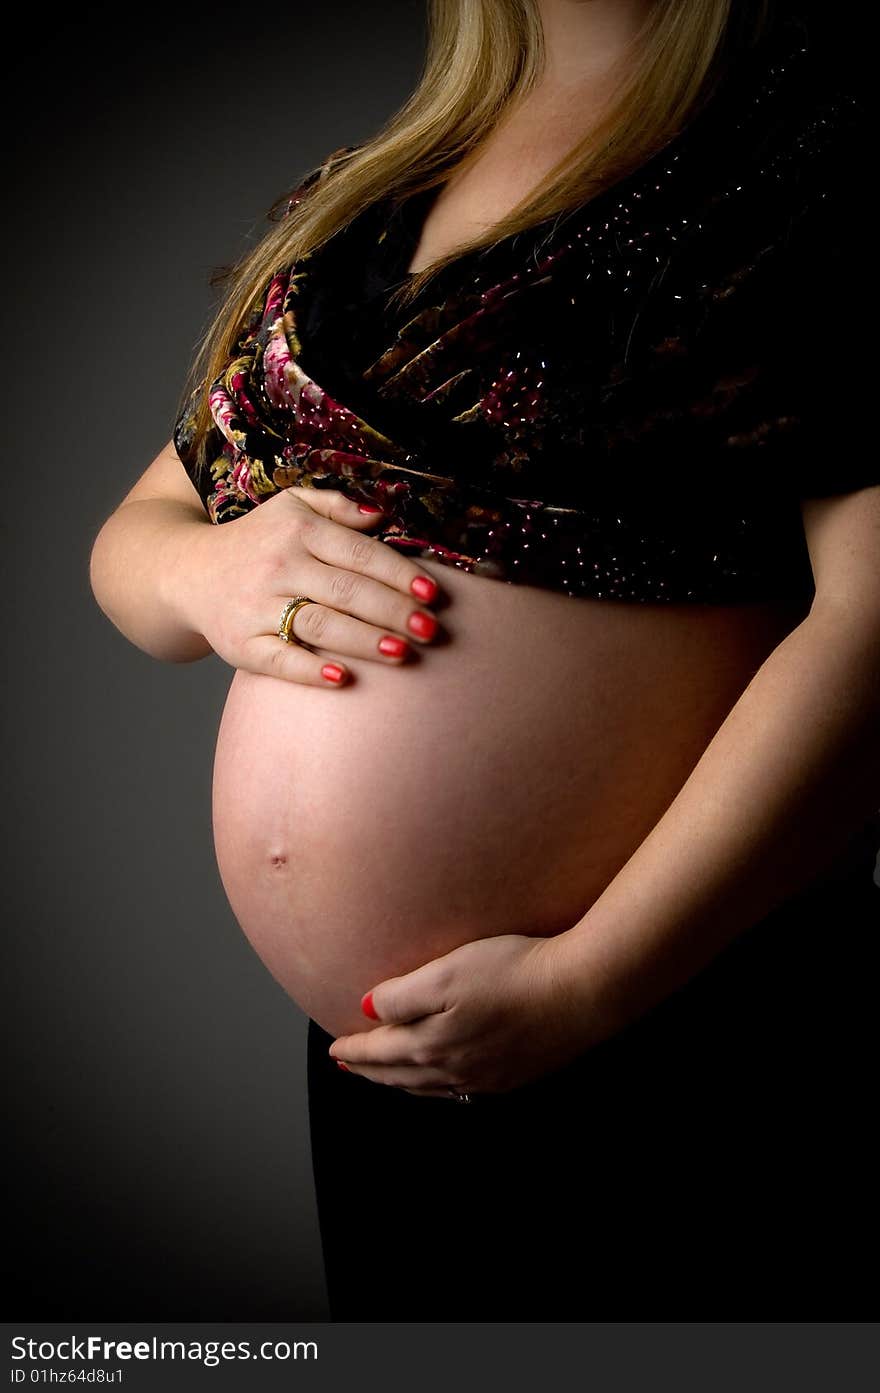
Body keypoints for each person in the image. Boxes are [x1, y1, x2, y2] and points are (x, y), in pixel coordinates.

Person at [89, 0, 878, 1321]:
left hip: (687, 1008)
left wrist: (594, 979)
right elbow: (138, 540)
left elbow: (874, 624)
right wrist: (204, 571)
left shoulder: (813, 164)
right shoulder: (374, 203)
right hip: (394, 1056)